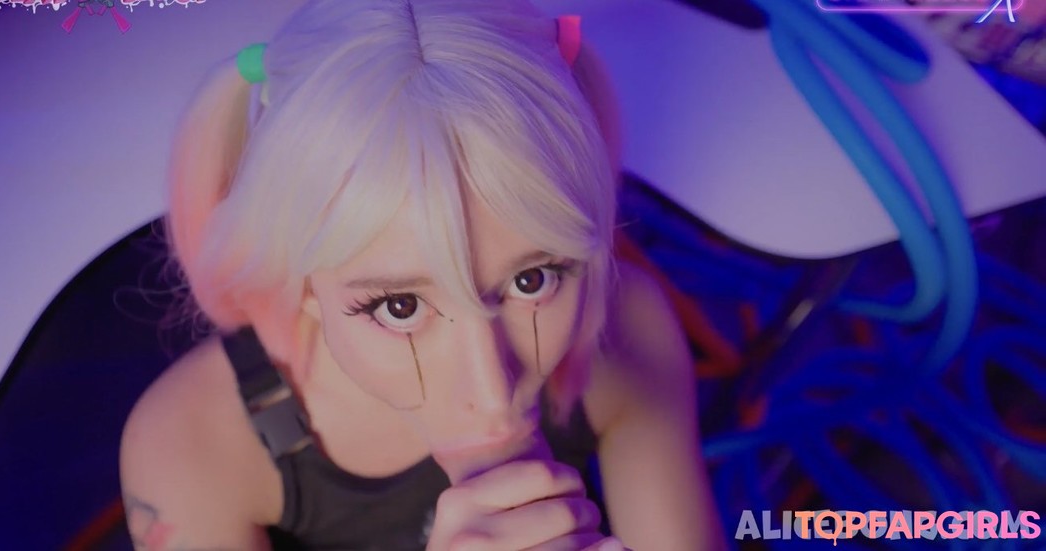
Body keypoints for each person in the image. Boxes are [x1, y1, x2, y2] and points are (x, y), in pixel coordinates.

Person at [119, 0, 723, 549]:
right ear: (297, 279)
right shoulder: (190, 443)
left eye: (533, 280)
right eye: (400, 307)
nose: (493, 394)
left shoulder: (626, 327)